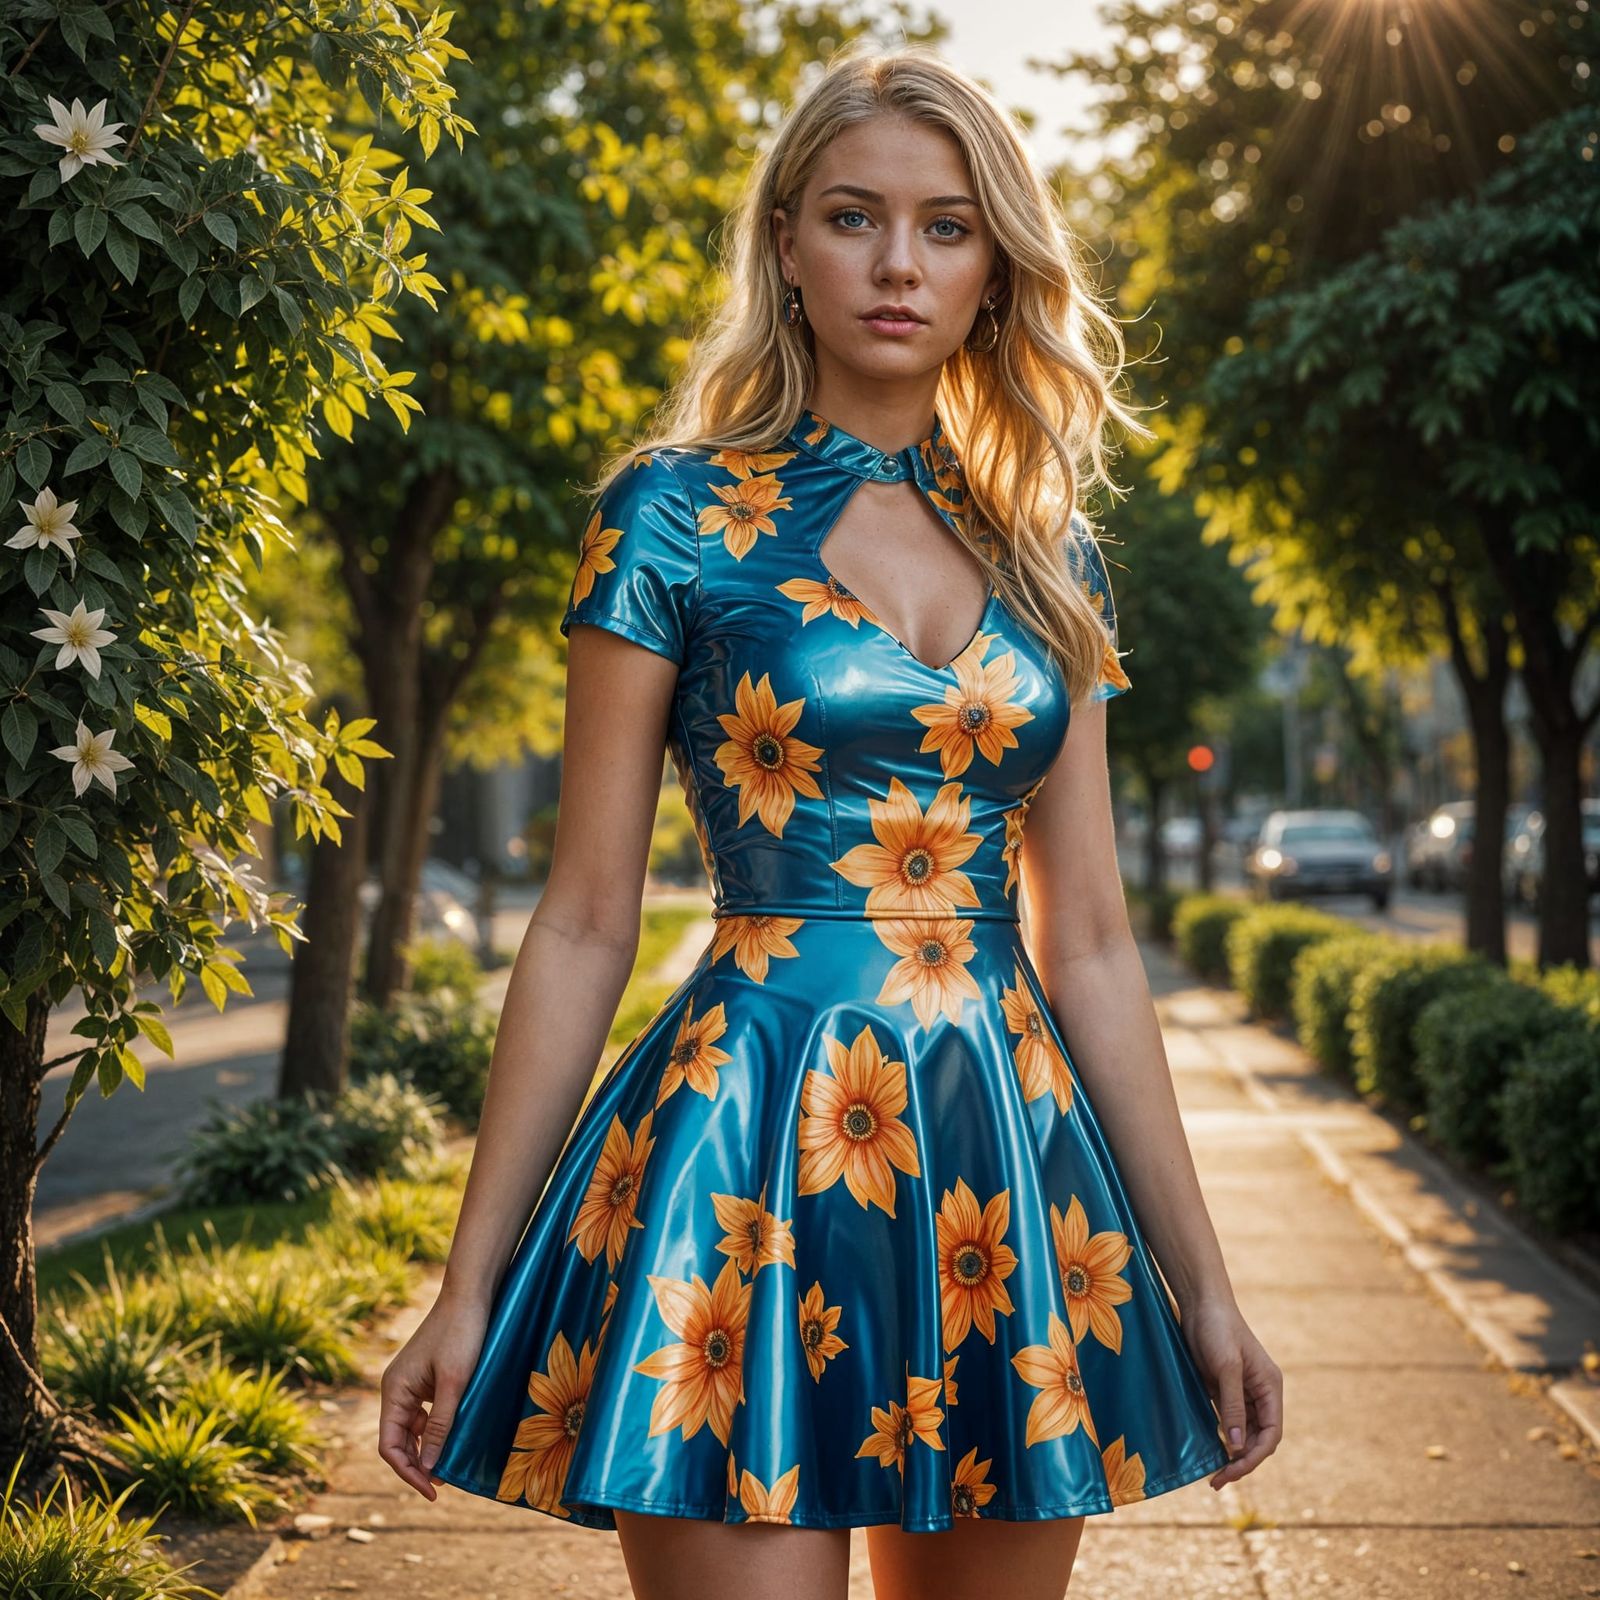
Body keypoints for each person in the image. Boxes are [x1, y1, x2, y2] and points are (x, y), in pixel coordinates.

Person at [378, 40, 1281, 1600]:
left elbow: (1094, 941)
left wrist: (1206, 1286)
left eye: (947, 226)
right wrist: (468, 1287)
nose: (899, 264)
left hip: (1003, 1161)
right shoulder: (670, 516)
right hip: (741, 1142)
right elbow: (585, 919)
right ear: (788, 245)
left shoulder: (1050, 549)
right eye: (855, 216)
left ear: (995, 267)